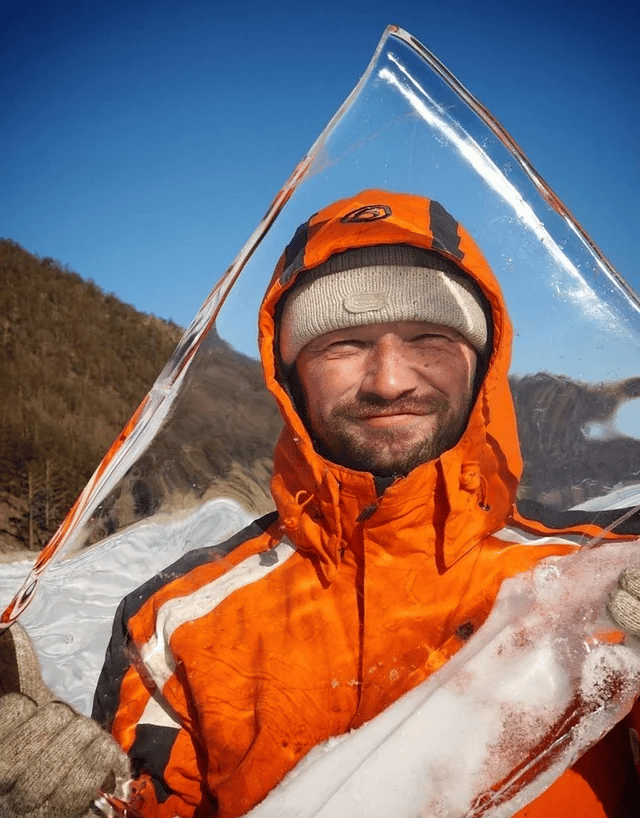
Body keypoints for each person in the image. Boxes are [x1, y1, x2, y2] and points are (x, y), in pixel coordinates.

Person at [2, 190, 640, 818]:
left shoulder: (602, 581)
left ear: (481, 362)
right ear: (289, 374)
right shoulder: (174, 619)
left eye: (427, 337)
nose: (390, 380)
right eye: (344, 344)